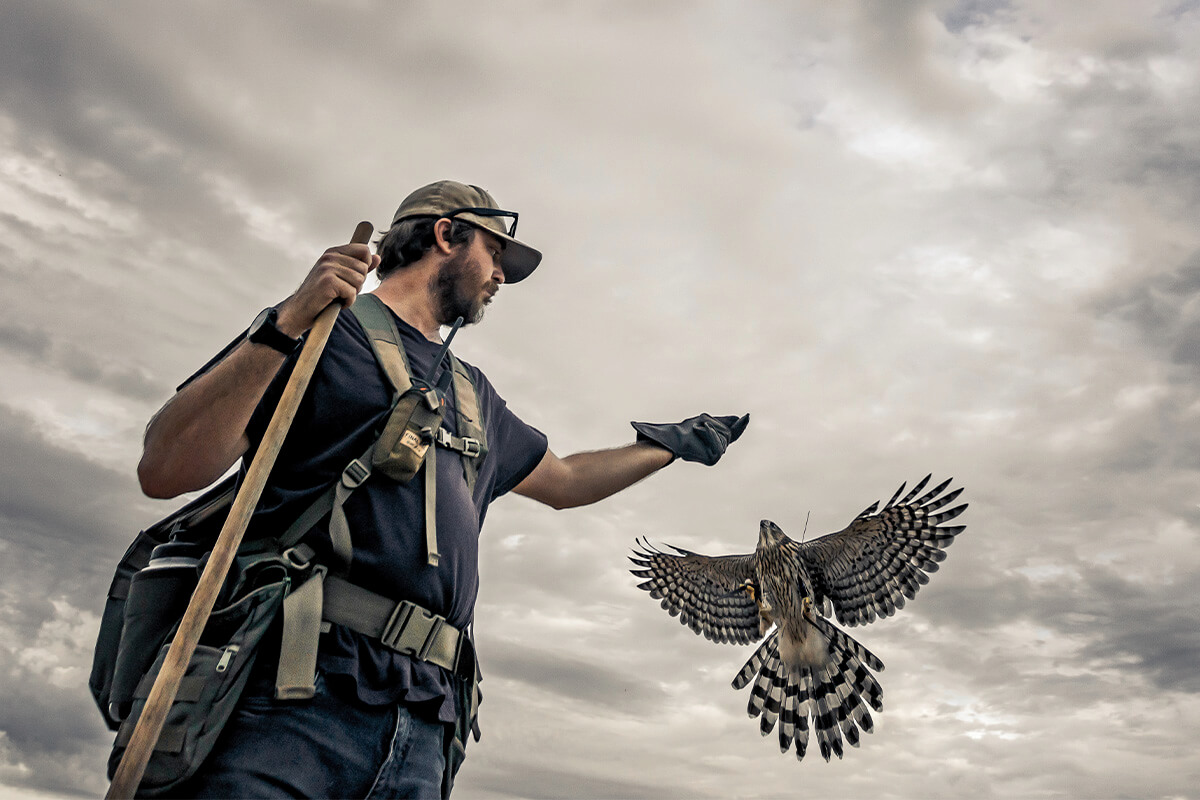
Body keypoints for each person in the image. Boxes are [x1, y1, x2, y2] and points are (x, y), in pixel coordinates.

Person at [136, 180, 748, 798]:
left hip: (426, 720)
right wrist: (286, 322)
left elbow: (563, 482)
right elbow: (166, 469)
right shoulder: (321, 331)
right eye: (496, 254)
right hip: (292, 694)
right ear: (447, 234)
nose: (502, 278)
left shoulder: (469, 389)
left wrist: (669, 445)